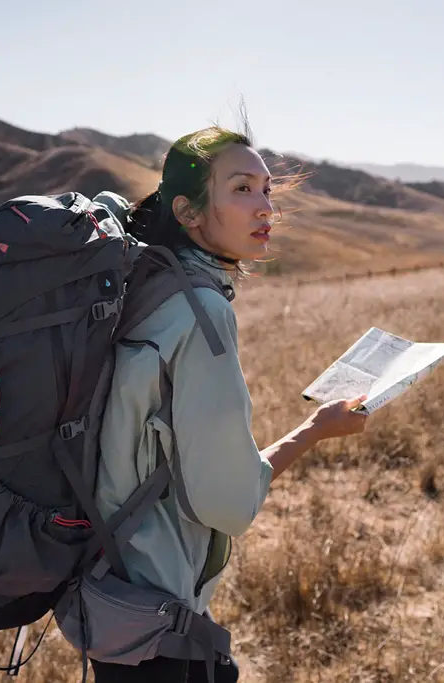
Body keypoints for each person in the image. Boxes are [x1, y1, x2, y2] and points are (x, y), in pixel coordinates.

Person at [88, 123, 369, 683]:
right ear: (189, 212)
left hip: (106, 598)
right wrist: (313, 430)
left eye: (267, 189)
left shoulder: (137, 285)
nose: (265, 207)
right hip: (159, 626)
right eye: (242, 189)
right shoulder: (201, 313)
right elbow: (230, 504)